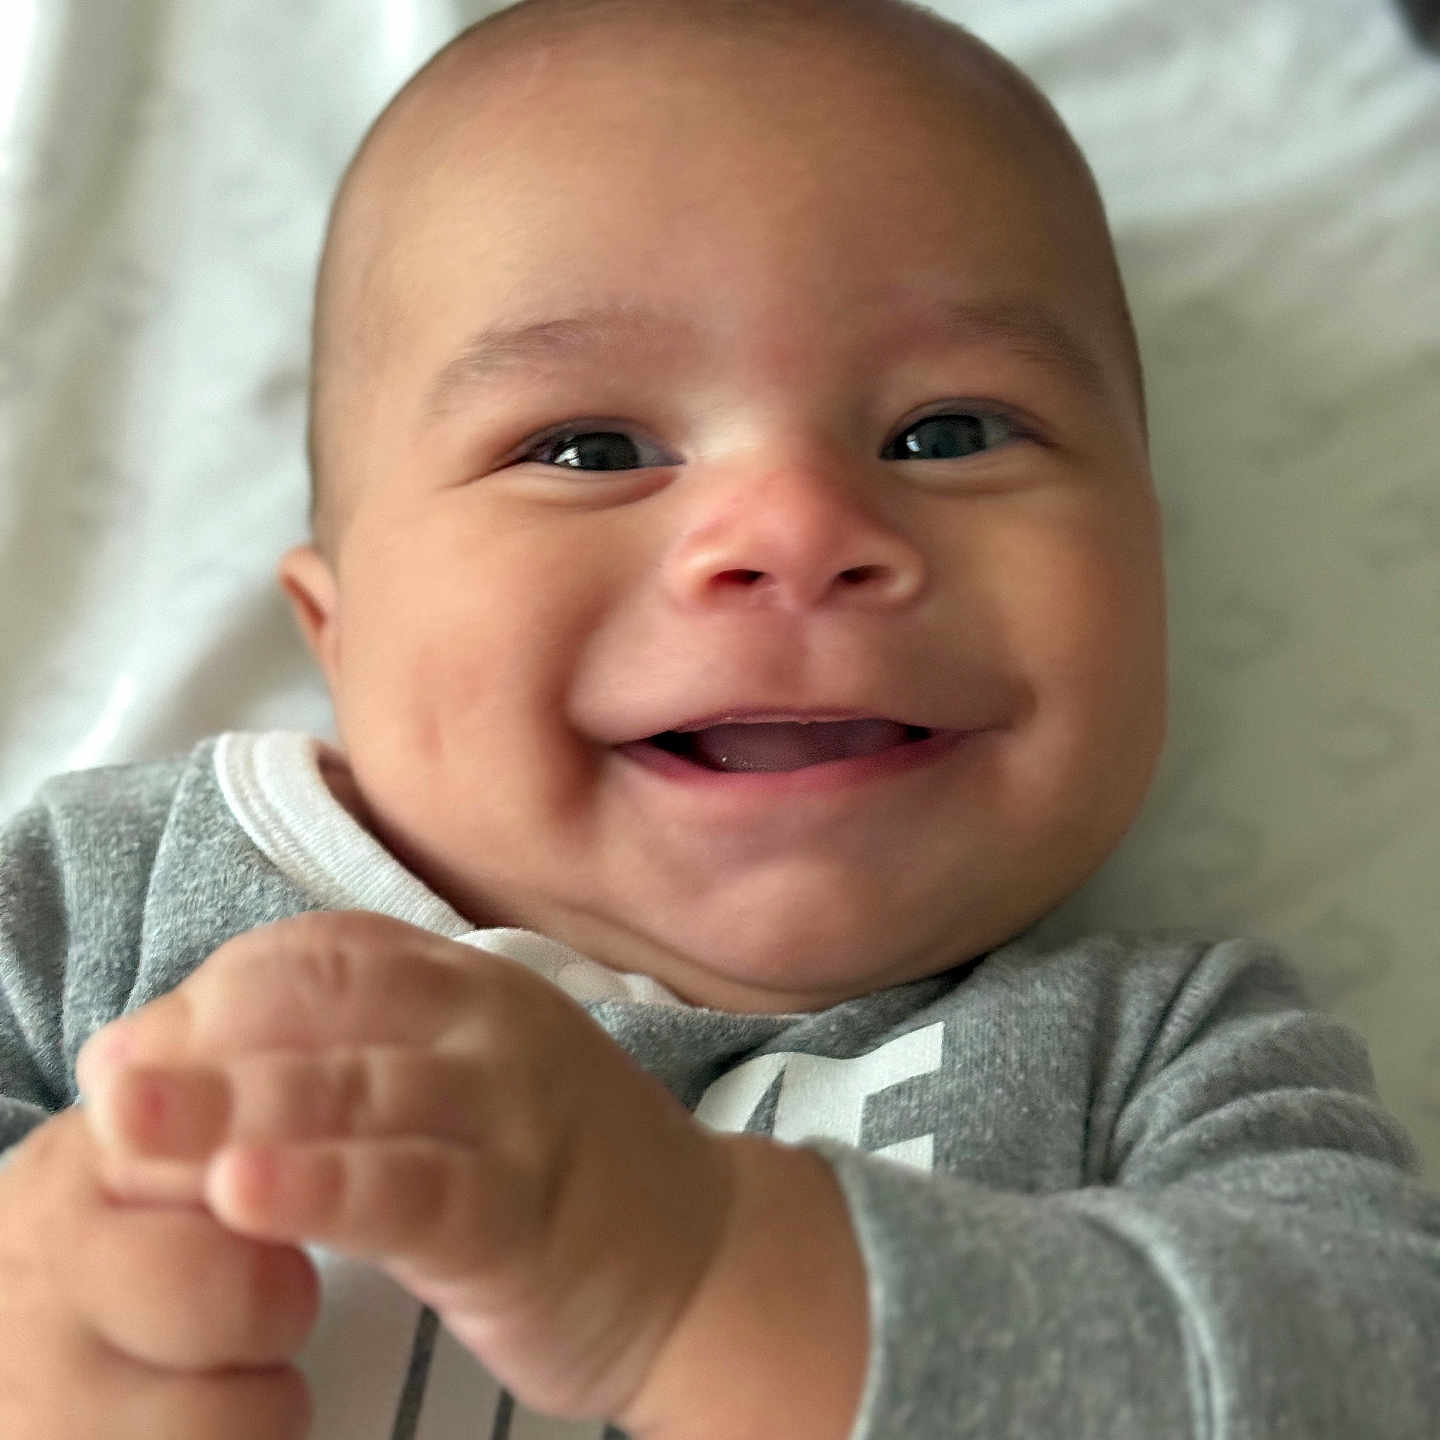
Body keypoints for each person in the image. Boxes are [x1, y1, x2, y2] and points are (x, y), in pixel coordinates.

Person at [1, 0, 1437, 1436]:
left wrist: (699, 1276)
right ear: (339, 627)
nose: (799, 529)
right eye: (589, 448)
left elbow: (1375, 1381)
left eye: (949, 432)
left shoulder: (1152, 1056)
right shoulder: (108, 903)